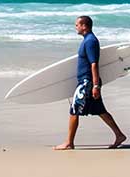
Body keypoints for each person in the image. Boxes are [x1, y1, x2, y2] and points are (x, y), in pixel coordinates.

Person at [54, 16, 126, 150]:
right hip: (87, 81)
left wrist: (95, 86)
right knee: (100, 111)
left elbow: (94, 64)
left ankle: (69, 142)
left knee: (74, 110)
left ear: (84, 26)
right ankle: (119, 135)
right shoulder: (88, 40)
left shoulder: (90, 41)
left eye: (77, 25)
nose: (75, 27)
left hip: (87, 83)